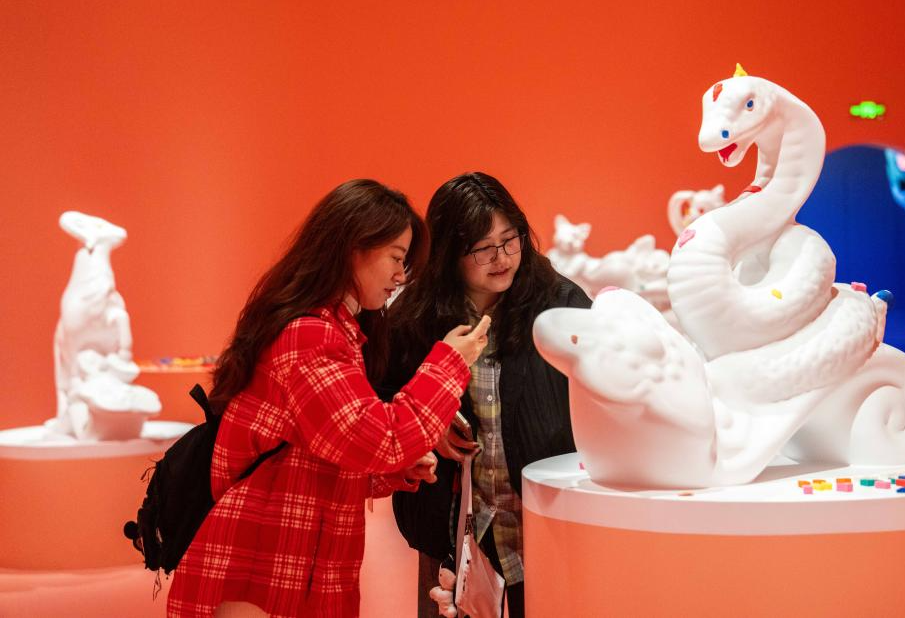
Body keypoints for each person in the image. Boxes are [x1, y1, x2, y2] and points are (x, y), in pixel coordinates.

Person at [166, 179, 491, 618]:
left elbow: (320, 458)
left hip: (290, 562)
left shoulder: (333, 331)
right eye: (396, 258)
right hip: (260, 563)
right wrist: (450, 361)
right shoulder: (311, 335)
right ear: (354, 247)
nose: (401, 276)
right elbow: (382, 439)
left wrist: (393, 471)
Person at [379, 172, 591, 617]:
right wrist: (428, 428)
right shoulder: (413, 318)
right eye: (483, 248)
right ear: (448, 254)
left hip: (545, 525)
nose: (502, 258)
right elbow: (385, 407)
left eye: (510, 240)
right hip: (451, 527)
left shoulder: (560, 304)